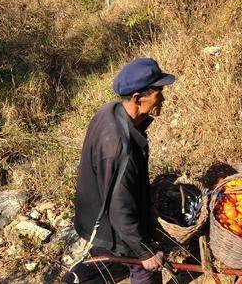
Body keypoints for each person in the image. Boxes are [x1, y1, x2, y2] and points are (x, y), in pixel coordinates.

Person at [67, 58, 174, 284]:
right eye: (158, 93)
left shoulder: (111, 111)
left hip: (99, 213)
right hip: (113, 220)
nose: (163, 98)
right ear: (137, 98)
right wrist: (146, 251)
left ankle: (74, 280)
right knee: (145, 270)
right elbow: (121, 207)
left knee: (106, 260)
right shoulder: (119, 146)